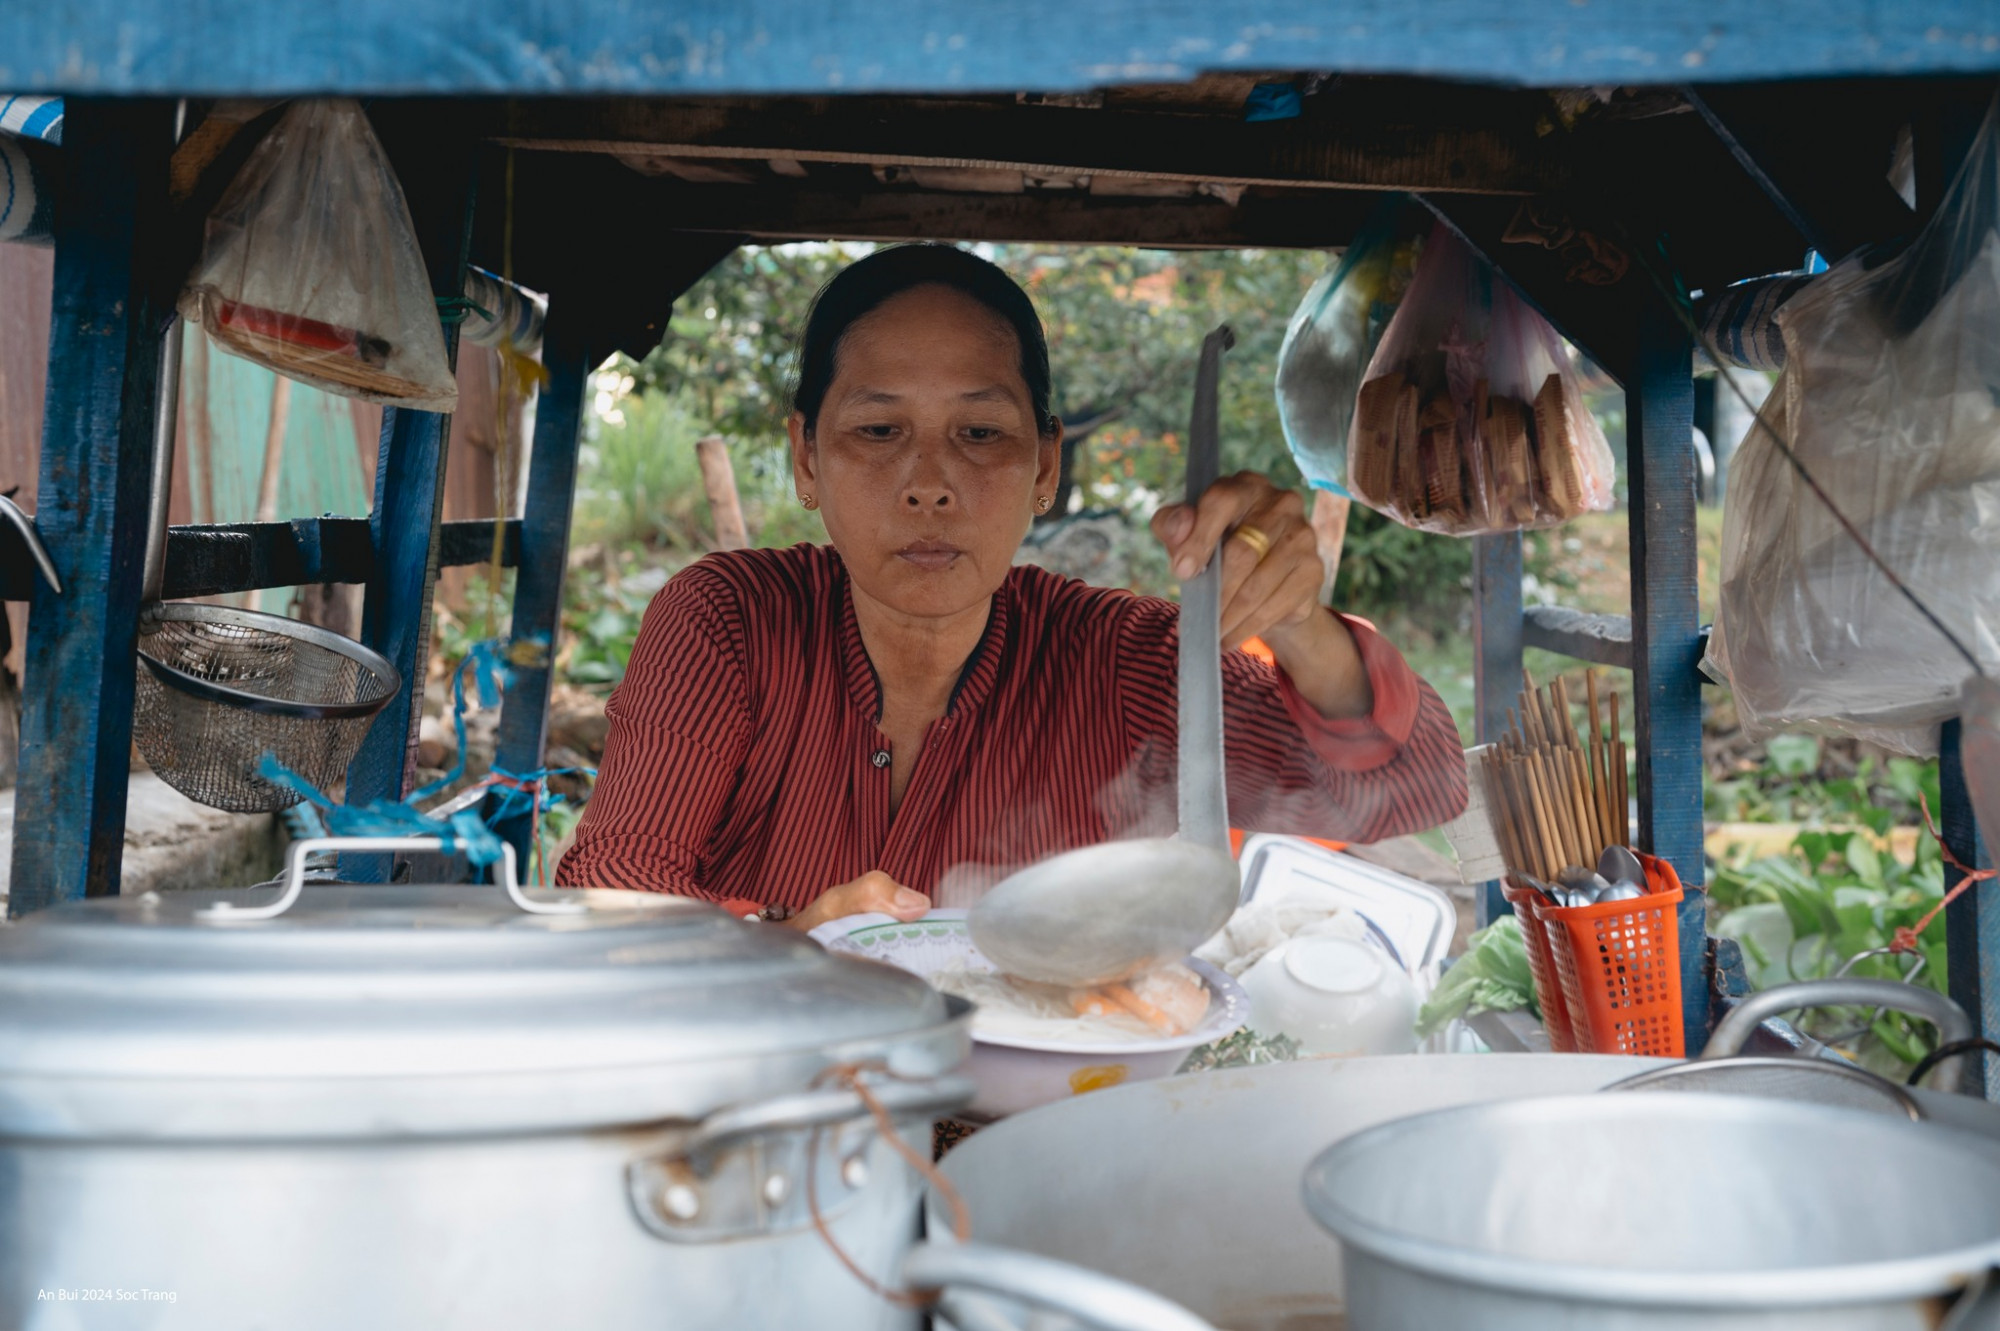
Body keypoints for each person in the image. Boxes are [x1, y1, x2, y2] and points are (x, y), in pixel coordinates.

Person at [556, 245, 1467, 930]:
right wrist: (791, 953)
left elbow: (1416, 785)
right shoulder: (730, 621)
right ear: (805, 457)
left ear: (1044, 467)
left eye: (982, 433)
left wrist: (1303, 622)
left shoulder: (1114, 663)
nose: (928, 481)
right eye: (877, 431)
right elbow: (613, 906)